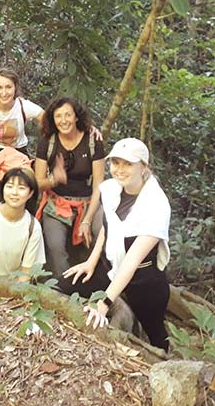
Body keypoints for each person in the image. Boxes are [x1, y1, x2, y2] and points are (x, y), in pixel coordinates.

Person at [63, 138, 171, 351]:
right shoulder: (112, 189)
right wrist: (91, 262)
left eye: (128, 164)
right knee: (64, 285)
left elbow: (132, 261)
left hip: (144, 280)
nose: (120, 169)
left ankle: (163, 361)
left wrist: (103, 305)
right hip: (110, 267)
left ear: (143, 167)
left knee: (156, 334)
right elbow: (109, 227)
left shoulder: (157, 205)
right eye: (115, 162)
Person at [34, 96, 105, 282]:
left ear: (76, 117)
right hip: (57, 203)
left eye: (68, 115)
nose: (63, 120)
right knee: (55, 246)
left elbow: (99, 185)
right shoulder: (48, 142)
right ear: (53, 119)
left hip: (88, 202)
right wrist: (54, 179)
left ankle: (99, 281)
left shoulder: (92, 141)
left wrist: (87, 220)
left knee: (102, 233)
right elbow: (37, 183)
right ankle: (64, 287)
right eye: (58, 116)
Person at [0, 69, 43, 205]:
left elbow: (48, 120)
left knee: (25, 198)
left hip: (18, 153)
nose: (4, 93)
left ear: (15, 87)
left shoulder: (23, 106)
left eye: (8, 87)